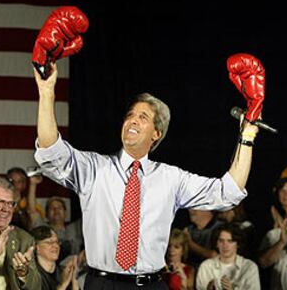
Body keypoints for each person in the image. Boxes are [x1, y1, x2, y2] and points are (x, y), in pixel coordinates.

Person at [34, 63, 258, 290]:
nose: (132, 120)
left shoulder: (171, 178)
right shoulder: (94, 169)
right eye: (130, 115)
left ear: (157, 133)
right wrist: (46, 92)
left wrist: (247, 137)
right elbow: (51, 151)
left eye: (143, 117)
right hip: (102, 284)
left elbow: (228, 192)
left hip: (151, 284)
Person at [196, 223, 260, 290]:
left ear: (237, 244)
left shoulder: (249, 267)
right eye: (221, 241)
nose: (225, 245)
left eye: (230, 241)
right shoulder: (206, 267)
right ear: (216, 244)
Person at [31, 225, 79, 290]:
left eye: (57, 242)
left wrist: (74, 279)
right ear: (36, 248)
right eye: (49, 242)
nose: (56, 245)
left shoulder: (63, 272)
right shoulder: (32, 277)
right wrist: (63, 284)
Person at [44, 197, 84, 263]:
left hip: (77, 267)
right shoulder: (43, 229)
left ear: (65, 212)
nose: (56, 210)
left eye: (59, 208)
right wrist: (32, 186)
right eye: (52, 208)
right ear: (46, 214)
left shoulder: (75, 227)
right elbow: (32, 212)